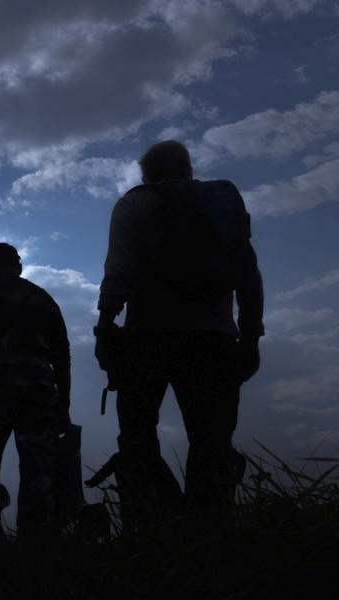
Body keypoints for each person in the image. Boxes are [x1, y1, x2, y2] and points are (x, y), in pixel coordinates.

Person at [96, 140, 263, 520]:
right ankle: (210, 535)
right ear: (187, 169)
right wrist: (251, 337)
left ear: (147, 175)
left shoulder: (134, 203)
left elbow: (118, 272)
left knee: (138, 437)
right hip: (214, 337)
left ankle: (160, 527)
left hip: (147, 338)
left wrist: (106, 328)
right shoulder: (222, 200)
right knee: (212, 440)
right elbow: (248, 273)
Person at [0, 243, 72, 535]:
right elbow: (62, 355)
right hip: (38, 392)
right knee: (37, 468)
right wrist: (64, 404)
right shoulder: (42, 299)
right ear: (18, 265)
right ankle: (36, 539)